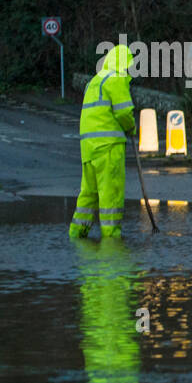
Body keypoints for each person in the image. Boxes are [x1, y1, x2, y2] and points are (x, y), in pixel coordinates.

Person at [69, 44, 136, 239]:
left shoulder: (95, 81)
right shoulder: (116, 79)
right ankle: (111, 238)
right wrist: (131, 128)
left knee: (88, 194)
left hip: (88, 148)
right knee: (110, 193)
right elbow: (124, 111)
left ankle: (77, 232)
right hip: (108, 146)